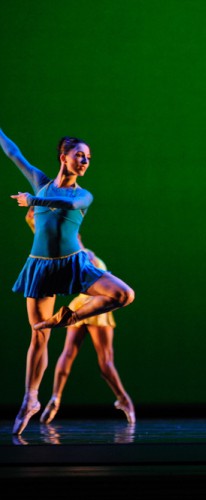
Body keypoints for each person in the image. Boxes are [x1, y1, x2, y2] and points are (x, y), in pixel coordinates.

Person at [2, 127, 135, 435]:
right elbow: (13, 153)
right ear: (63, 157)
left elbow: (70, 206)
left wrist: (33, 201)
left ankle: (69, 317)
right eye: (79, 155)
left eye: (88, 158)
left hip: (76, 264)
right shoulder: (42, 182)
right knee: (38, 335)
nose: (85, 161)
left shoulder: (82, 194)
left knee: (124, 294)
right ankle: (30, 399)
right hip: (41, 268)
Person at [21, 208, 136, 424]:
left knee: (103, 361)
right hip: (85, 305)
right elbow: (37, 225)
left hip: (93, 307)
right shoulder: (71, 254)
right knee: (74, 355)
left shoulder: (83, 253)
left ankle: (123, 400)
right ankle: (55, 398)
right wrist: (37, 204)